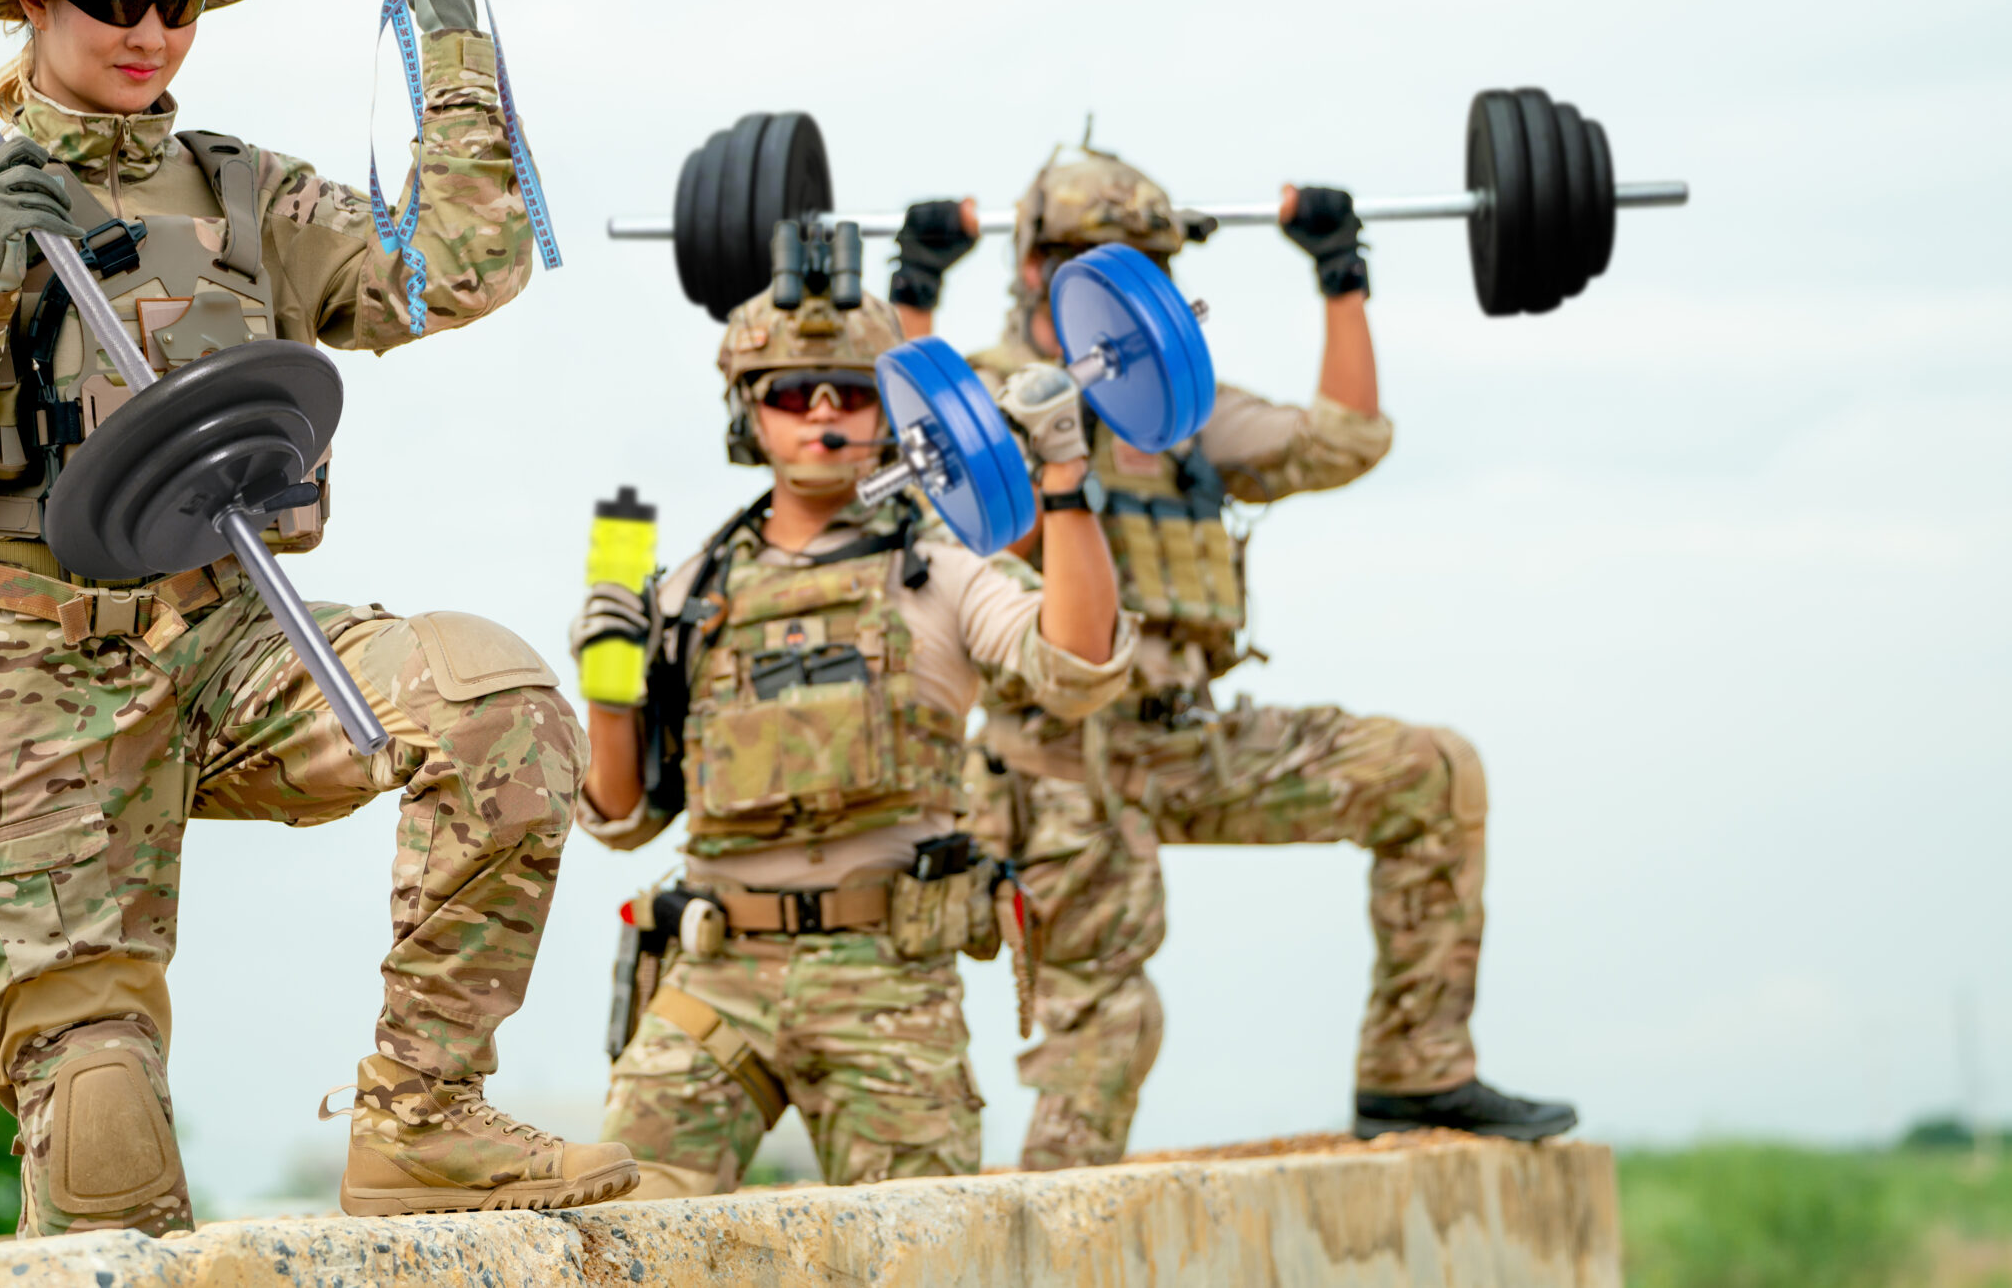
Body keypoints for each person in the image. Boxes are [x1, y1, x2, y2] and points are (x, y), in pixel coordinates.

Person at [0, 0, 635, 1234]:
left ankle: (423, 1114)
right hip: (23, 676)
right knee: (107, 1148)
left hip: (227, 636)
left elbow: (456, 269)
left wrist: (453, 59)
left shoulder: (246, 195)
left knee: (495, 701)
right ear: (30, 2)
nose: (144, 29)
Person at [889, 145, 1577, 1169]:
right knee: (1109, 1037)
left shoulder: (1177, 411)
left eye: (1150, 265)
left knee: (1429, 775)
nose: (1128, 286)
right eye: (1096, 260)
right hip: (1054, 765)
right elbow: (926, 467)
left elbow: (1344, 440)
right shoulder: (985, 399)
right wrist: (912, 299)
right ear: (1036, 269)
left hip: (1184, 740)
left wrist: (1340, 273)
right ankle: (1043, 1239)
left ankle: (1414, 1068)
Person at [570, 253, 1135, 1197]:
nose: (823, 411)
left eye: (849, 392)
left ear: (891, 413)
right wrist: (607, 684)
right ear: (751, 411)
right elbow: (621, 813)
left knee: (918, 1250)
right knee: (620, 1227)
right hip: (716, 975)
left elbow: (1077, 664)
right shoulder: (690, 589)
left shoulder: (944, 569)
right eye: (794, 391)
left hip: (887, 982)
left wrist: (1067, 478)